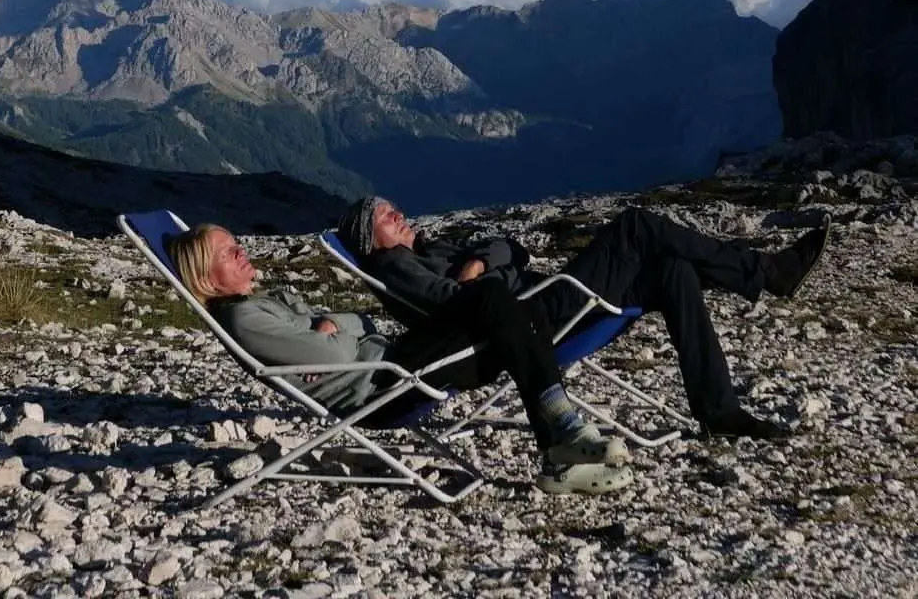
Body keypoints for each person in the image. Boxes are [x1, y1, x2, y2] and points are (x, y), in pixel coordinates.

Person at [166, 222, 634, 496]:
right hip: (386, 385)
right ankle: (560, 435)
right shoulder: (247, 318)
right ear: (207, 276)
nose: (242, 252)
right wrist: (336, 326)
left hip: (389, 362)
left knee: (516, 307)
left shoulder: (257, 304)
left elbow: (345, 324)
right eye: (230, 252)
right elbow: (329, 349)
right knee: (492, 300)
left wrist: (336, 324)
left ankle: (558, 449)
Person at [336, 197, 831, 442]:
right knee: (635, 226)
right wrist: (483, 274)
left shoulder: (427, 248)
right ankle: (765, 271)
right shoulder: (394, 267)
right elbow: (457, 301)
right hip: (539, 316)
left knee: (673, 271)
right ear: (369, 240)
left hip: (547, 297)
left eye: (394, 208)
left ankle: (719, 410)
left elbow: (516, 249)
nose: (397, 215)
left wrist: (483, 259)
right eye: (384, 217)